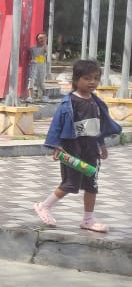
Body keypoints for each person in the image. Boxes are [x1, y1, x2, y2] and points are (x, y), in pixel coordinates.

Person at [33, 59, 121, 233]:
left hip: (91, 149)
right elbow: (57, 125)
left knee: (91, 184)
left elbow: (97, 126)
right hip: (72, 148)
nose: (92, 82)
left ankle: (88, 219)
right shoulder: (69, 102)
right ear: (76, 79)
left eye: (96, 78)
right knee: (70, 183)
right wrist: (56, 146)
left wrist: (101, 144)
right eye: (87, 78)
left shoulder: (96, 102)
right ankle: (44, 206)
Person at [28, 32, 49, 103]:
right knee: (31, 80)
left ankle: (45, 95)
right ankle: (30, 97)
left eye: (44, 38)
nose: (42, 40)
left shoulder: (45, 47)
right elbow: (29, 56)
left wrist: (45, 42)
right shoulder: (32, 48)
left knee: (41, 82)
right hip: (34, 65)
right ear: (37, 39)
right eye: (40, 38)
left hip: (42, 65)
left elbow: (46, 51)